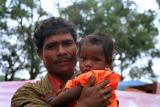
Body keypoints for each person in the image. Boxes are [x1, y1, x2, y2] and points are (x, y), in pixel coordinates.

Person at [11, 17, 112, 107]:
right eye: (51, 46)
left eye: (67, 44)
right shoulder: (26, 94)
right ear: (40, 54)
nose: (61, 52)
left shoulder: (100, 80)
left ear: (77, 48)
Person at [46, 32, 120, 107]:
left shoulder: (93, 76)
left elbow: (70, 95)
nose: (88, 63)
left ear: (108, 62)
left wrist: (52, 101)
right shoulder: (107, 76)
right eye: (83, 58)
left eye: (96, 59)